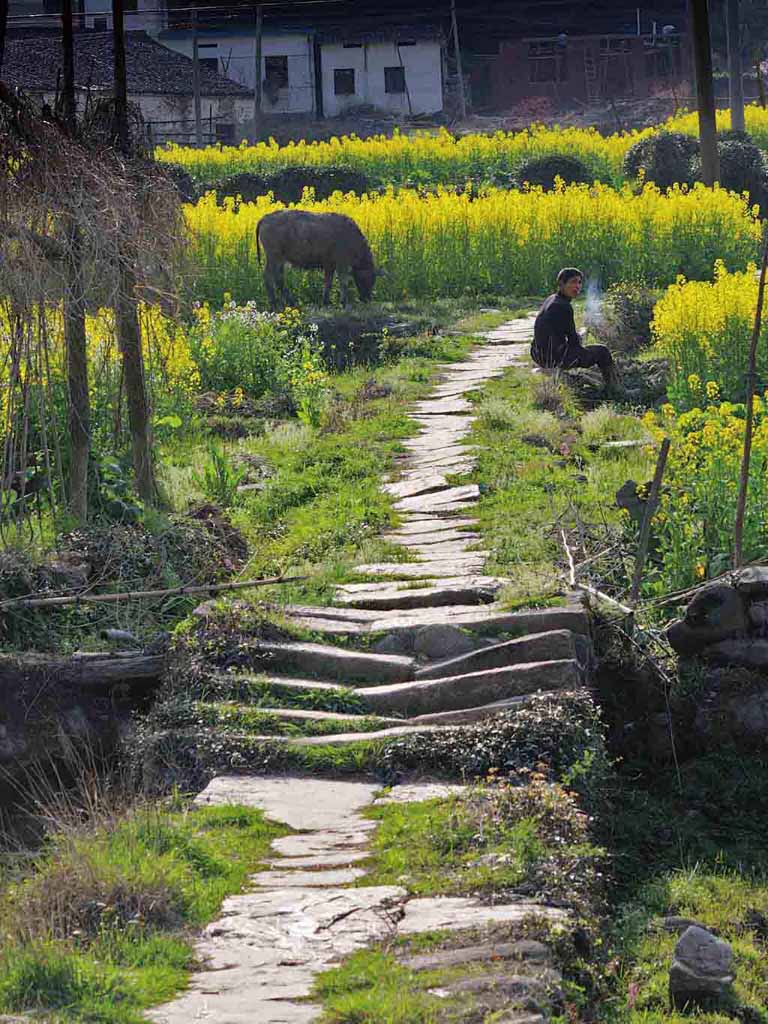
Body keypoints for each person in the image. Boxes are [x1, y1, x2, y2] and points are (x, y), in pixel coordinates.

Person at [532, 267, 620, 395]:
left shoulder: (552, 299)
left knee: (584, 349)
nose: (577, 286)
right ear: (561, 284)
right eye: (573, 282)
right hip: (553, 357)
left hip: (537, 353)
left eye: (579, 282)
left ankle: (573, 379)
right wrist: (581, 338)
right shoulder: (563, 306)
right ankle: (616, 389)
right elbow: (574, 343)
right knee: (602, 352)